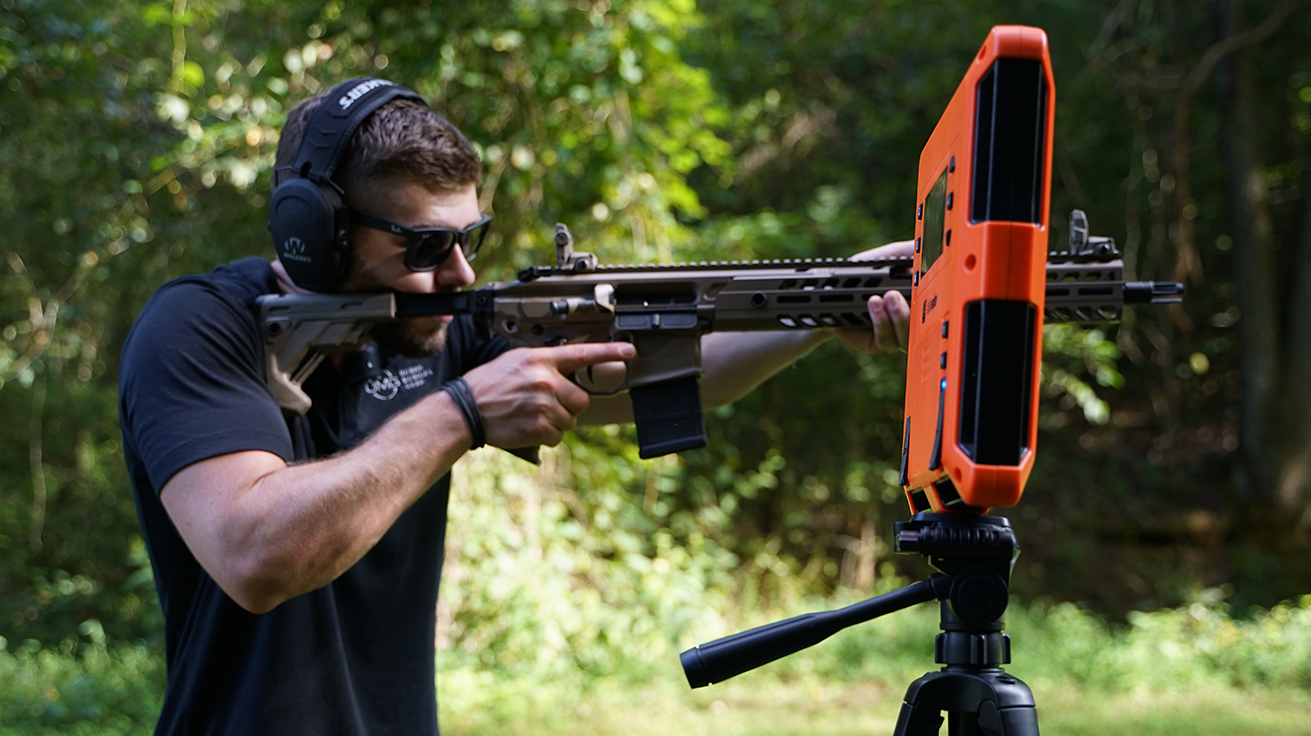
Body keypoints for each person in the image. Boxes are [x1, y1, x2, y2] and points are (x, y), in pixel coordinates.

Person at [119, 77, 911, 735]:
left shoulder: (439, 326)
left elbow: (679, 375)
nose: (460, 273)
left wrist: (822, 303)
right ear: (314, 236)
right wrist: (458, 414)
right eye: (425, 247)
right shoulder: (198, 328)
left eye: (473, 238)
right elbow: (256, 556)